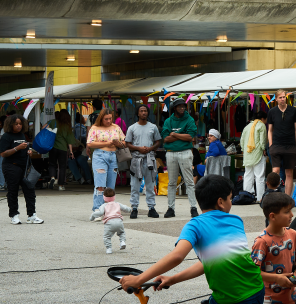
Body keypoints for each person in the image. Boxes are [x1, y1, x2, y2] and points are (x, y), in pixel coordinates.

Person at [119, 175, 265, 304]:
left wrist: (139, 280)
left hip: (235, 297)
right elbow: (210, 261)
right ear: (220, 202)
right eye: (230, 198)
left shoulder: (195, 225)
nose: (231, 202)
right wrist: (173, 279)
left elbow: (177, 256)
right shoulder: (235, 220)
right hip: (254, 289)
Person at [252, 192, 296, 304]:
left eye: (291, 210)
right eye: (287, 211)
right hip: (268, 298)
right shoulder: (262, 241)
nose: (292, 215)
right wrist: (277, 278)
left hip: (290, 297)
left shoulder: (293, 234)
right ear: (272, 216)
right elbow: (253, 272)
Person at [1, 114, 43, 224]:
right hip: (11, 166)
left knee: (29, 190)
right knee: (13, 191)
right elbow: (3, 154)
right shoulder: (6, 136)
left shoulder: (22, 135)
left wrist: (28, 151)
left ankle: (32, 215)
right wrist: (17, 148)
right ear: (11, 125)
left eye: (20, 124)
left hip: (24, 167)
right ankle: (14, 215)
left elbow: (26, 147)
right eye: (16, 124)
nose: (19, 126)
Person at [162, 98, 198, 219]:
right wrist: (181, 136)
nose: (182, 108)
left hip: (185, 152)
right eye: (179, 107)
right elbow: (165, 138)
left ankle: (193, 207)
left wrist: (175, 134)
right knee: (172, 182)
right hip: (171, 153)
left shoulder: (189, 119)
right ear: (174, 108)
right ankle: (170, 208)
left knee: (189, 181)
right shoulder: (168, 121)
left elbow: (190, 137)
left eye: (183, 106)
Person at [125, 104, 163, 219]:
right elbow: (127, 144)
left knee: (150, 185)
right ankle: (134, 208)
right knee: (135, 185)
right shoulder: (132, 128)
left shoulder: (153, 127)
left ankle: (151, 208)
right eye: (141, 111)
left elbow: (158, 141)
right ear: (138, 113)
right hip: (137, 159)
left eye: (145, 111)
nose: (144, 113)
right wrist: (138, 148)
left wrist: (150, 148)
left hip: (149, 159)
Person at [87, 108, 127, 212]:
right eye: (106, 119)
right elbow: (90, 143)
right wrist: (107, 143)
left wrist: (118, 143)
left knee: (111, 186)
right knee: (100, 185)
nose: (109, 121)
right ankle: (97, 209)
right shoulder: (95, 128)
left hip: (113, 155)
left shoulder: (116, 127)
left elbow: (124, 141)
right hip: (100, 155)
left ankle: (109, 209)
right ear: (101, 118)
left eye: (110, 118)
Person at [267, 90, 296, 198]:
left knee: (289, 173)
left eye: (284, 97)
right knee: (276, 170)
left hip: (290, 145)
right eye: (280, 97)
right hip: (276, 145)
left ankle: (287, 198)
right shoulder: (272, 112)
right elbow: (270, 130)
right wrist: (271, 144)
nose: (283, 99)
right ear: (276, 99)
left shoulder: (293, 111)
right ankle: (273, 196)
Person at [89, 187, 132, 254]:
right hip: (119, 221)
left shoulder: (104, 205)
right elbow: (125, 208)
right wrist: (130, 209)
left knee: (107, 237)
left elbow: (99, 213)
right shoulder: (117, 204)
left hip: (109, 223)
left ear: (104, 197)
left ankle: (109, 248)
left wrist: (92, 216)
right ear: (114, 197)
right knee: (121, 233)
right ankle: (122, 242)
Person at [46, 109, 79, 191]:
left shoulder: (53, 122)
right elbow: (70, 141)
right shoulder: (67, 126)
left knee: (52, 164)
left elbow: (44, 127)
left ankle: (52, 177)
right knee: (62, 167)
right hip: (63, 149)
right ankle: (61, 185)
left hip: (52, 147)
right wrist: (71, 152)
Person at [240, 111, 268, 200]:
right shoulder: (261, 125)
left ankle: (247, 196)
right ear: (263, 119)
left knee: (248, 175)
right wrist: (264, 149)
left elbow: (242, 141)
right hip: (257, 154)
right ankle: (260, 197)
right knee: (259, 176)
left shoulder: (247, 127)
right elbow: (262, 141)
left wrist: (243, 150)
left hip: (247, 155)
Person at [70, 112, 92, 185]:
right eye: (83, 118)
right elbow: (80, 137)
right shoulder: (79, 127)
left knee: (81, 159)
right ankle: (80, 178)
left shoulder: (81, 127)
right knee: (70, 161)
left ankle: (88, 178)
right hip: (73, 152)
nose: (84, 119)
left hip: (79, 152)